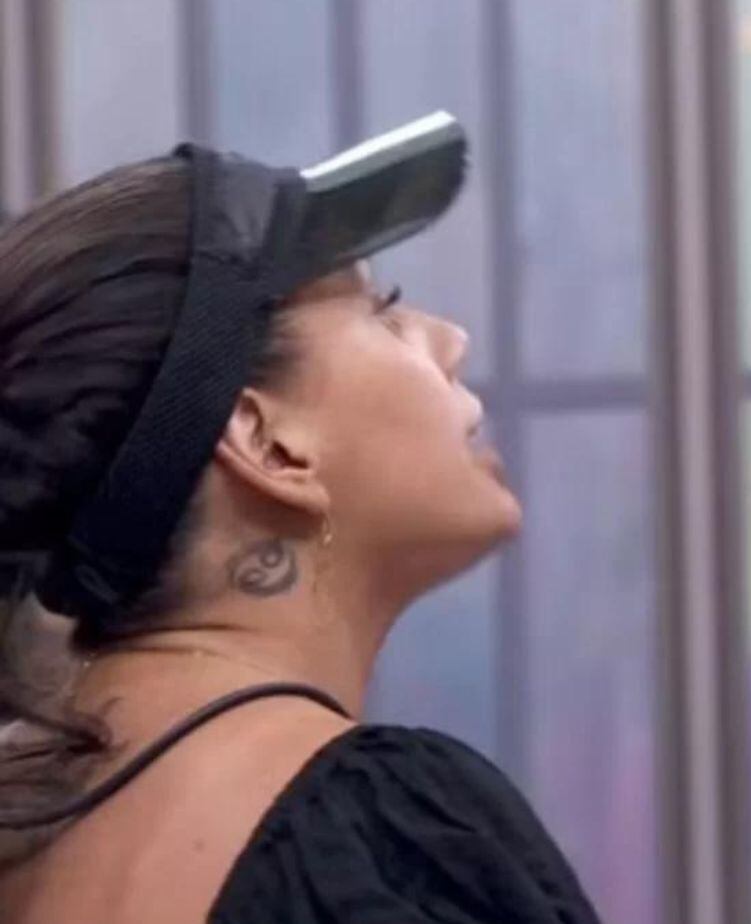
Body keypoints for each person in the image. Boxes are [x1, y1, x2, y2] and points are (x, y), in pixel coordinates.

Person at [0, 114, 602, 923]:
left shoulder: (25, 826)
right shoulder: (374, 839)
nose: (452, 339)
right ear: (269, 444)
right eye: (385, 312)